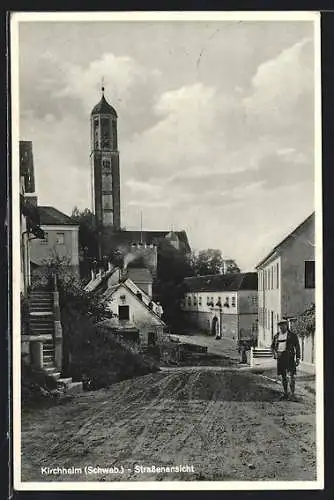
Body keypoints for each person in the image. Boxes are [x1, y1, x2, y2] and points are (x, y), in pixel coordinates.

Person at [271, 319, 301, 400]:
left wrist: (298, 358)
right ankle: (285, 393)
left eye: (283, 325)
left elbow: (297, 347)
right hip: (280, 358)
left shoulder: (292, 335)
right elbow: (272, 347)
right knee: (283, 376)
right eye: (280, 326)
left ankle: (292, 394)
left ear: (286, 325)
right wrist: (275, 353)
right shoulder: (276, 336)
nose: (281, 327)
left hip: (289, 357)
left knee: (291, 376)